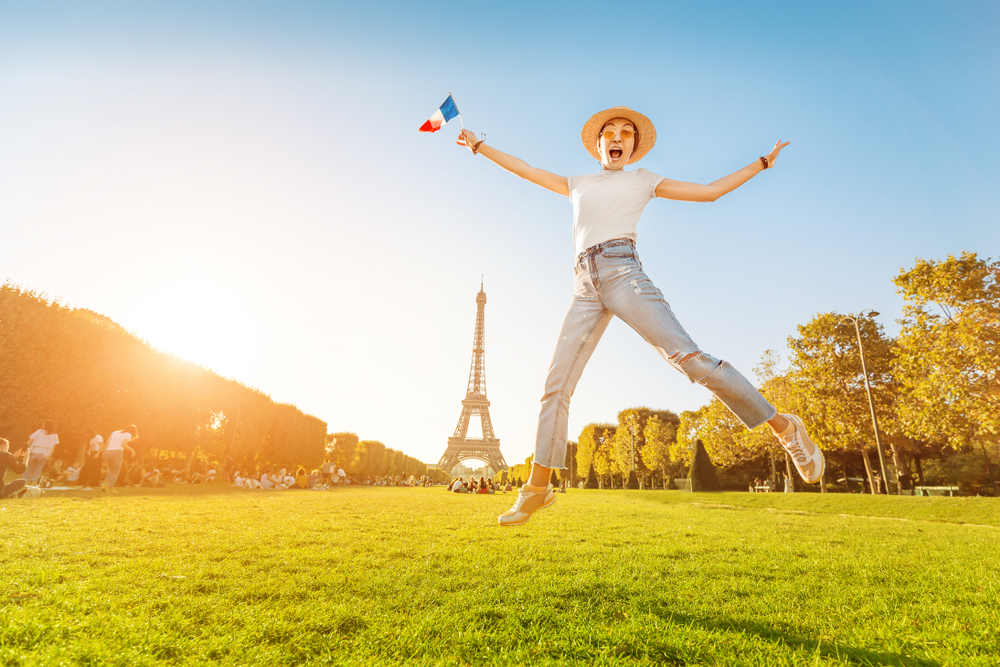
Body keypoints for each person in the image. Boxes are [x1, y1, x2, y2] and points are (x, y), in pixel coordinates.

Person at [455, 106, 824, 527]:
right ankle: (537, 489)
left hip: (622, 273)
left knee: (690, 360)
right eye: (609, 131)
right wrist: (479, 146)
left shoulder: (644, 180)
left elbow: (710, 192)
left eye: (626, 132)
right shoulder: (577, 183)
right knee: (555, 386)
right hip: (583, 284)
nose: (617, 136)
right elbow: (526, 170)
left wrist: (762, 162)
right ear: (598, 144)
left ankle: (783, 426)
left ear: (632, 147)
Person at [101, 425, 138, 493]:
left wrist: (104, 452)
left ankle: (104, 485)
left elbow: (107, 442)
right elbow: (123, 444)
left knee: (110, 470)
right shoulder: (128, 434)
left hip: (108, 452)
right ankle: (110, 488)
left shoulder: (115, 432)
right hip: (117, 453)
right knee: (115, 472)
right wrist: (132, 450)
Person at [23, 420, 59, 485]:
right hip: (44, 454)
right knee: (38, 469)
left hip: (34, 451)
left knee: (29, 467)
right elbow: (54, 446)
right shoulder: (55, 435)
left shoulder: (39, 431)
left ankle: (24, 481)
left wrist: (25, 448)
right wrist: (50, 456)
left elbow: (31, 440)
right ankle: (34, 482)